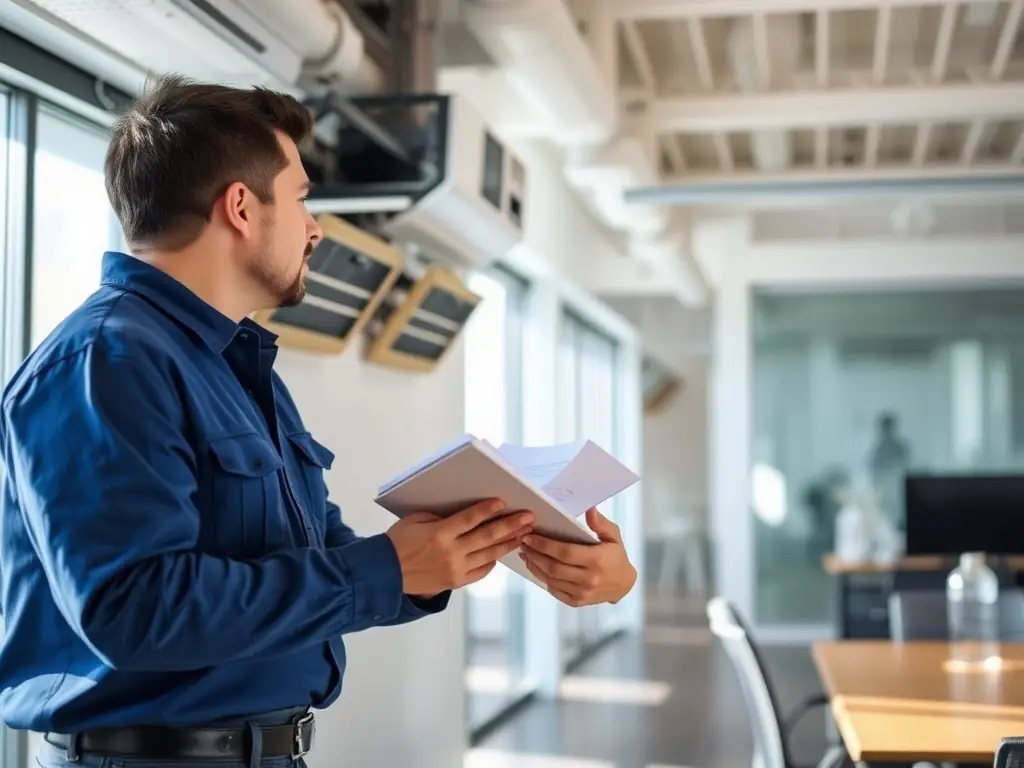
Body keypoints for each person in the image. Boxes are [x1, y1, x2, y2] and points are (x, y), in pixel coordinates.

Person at [0, 75, 636, 768]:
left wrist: (474, 544)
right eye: (303, 198)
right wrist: (387, 568)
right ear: (241, 207)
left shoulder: (237, 365)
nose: (315, 228)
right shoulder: (104, 361)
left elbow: (319, 559)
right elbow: (134, 610)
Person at [868, 411, 911, 529]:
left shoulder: (901, 448)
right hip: (884, 493)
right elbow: (874, 476)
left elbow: (906, 470)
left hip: (898, 492)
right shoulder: (877, 451)